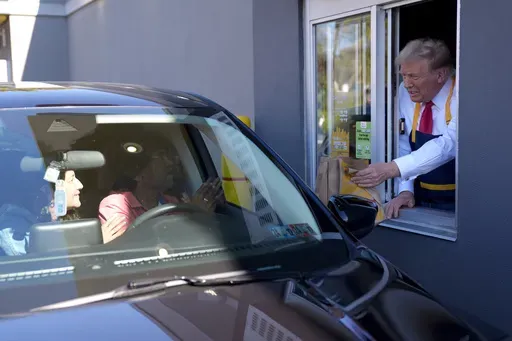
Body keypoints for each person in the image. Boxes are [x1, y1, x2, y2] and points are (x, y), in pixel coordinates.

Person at [351, 38, 457, 218]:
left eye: (414, 76)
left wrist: (391, 169)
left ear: (440, 75)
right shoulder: (405, 91)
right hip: (421, 201)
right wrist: (405, 190)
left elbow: (450, 145)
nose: (407, 84)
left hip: (460, 204)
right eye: (403, 75)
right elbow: (404, 142)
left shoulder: (463, 92)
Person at [98, 146, 224, 243]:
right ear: (139, 174)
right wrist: (195, 217)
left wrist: (197, 214)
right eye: (161, 156)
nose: (170, 163)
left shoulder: (173, 203)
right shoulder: (116, 204)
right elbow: (125, 248)